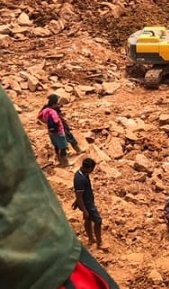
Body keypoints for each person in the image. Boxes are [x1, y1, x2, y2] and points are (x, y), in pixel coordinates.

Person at [1, 86, 119, 289]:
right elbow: (80, 193)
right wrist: (81, 206)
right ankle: (96, 241)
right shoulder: (80, 179)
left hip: (41, 253)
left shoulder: (47, 111)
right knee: (94, 219)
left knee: (63, 145)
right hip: (43, 266)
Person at [74, 158, 103, 250]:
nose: (92, 171)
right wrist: (84, 210)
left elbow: (79, 193)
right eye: (92, 169)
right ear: (88, 168)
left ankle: (91, 239)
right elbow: (79, 195)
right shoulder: (80, 179)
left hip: (87, 200)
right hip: (87, 204)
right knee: (98, 221)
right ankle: (99, 243)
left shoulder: (83, 173)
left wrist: (76, 202)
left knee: (88, 220)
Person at [38, 94, 68, 166]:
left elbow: (39, 117)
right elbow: (56, 121)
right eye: (56, 103)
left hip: (51, 132)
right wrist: (59, 120)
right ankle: (65, 162)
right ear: (54, 104)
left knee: (56, 146)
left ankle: (59, 161)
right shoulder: (53, 112)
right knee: (63, 147)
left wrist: (46, 122)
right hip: (59, 131)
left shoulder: (45, 110)